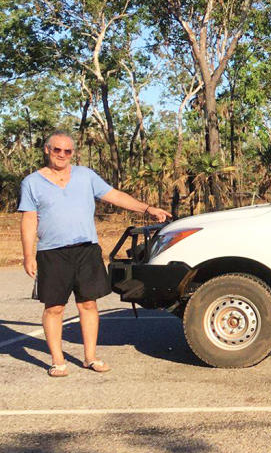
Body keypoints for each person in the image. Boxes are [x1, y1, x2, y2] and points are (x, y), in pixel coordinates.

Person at [18, 131, 172, 377]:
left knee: (88, 304)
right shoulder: (32, 182)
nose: (62, 155)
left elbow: (115, 196)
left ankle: (90, 358)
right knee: (54, 307)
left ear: (72, 153)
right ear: (47, 150)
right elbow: (28, 221)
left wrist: (147, 208)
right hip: (52, 253)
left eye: (67, 151)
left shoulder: (85, 176)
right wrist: (28, 255)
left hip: (86, 250)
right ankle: (58, 361)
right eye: (57, 150)